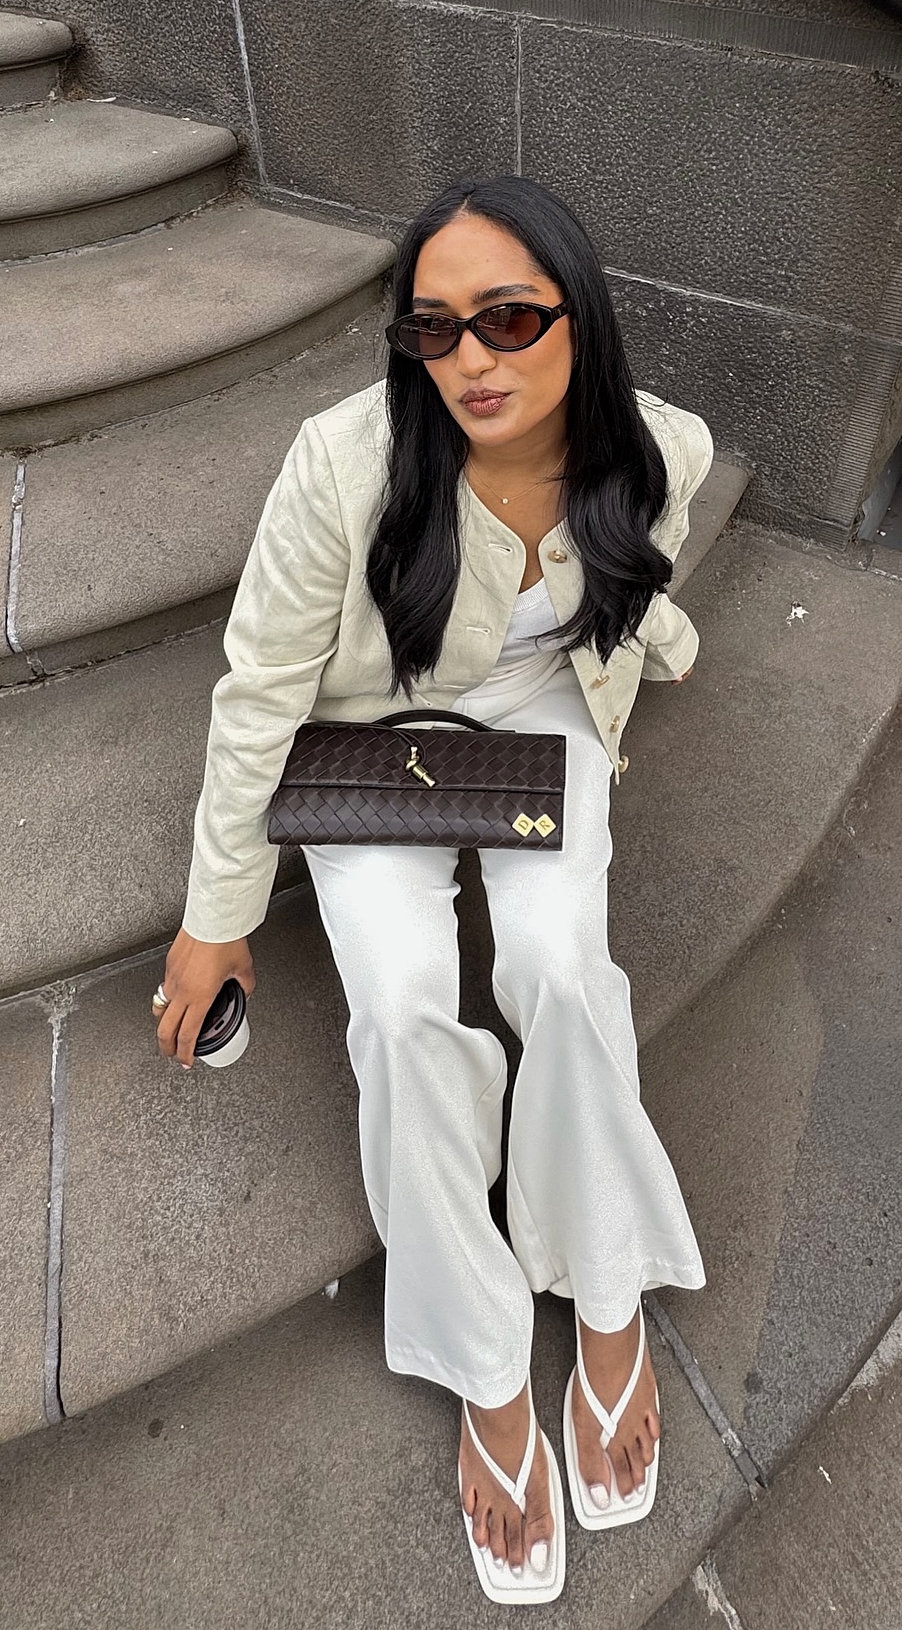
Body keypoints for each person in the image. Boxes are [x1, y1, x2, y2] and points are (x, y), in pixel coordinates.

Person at [153, 174, 709, 1606]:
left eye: (509, 318)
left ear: (580, 316)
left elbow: (631, 581)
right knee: (401, 1012)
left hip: (542, 715)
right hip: (373, 735)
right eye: (435, 329)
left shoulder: (663, 448)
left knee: (563, 971)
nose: (472, 358)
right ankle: (485, 1371)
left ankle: (604, 1294)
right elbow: (259, 692)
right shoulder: (343, 467)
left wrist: (645, 638)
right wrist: (218, 915)